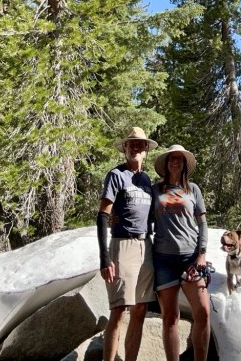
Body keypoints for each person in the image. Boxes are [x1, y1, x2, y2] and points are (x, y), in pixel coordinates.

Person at [99, 127, 158, 361]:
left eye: (140, 144)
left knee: (140, 309)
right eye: (131, 144)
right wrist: (104, 257)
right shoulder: (116, 175)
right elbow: (103, 215)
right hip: (122, 245)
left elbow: (149, 214)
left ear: (145, 150)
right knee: (118, 310)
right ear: (125, 148)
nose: (135, 147)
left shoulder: (146, 180)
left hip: (146, 246)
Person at [151, 144, 212, 361]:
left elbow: (203, 224)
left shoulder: (193, 190)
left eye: (179, 159)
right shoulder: (155, 190)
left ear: (184, 164)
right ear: (166, 164)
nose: (175, 162)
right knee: (169, 318)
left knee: (203, 313)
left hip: (191, 258)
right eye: (171, 159)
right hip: (163, 259)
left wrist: (202, 254)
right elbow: (143, 218)